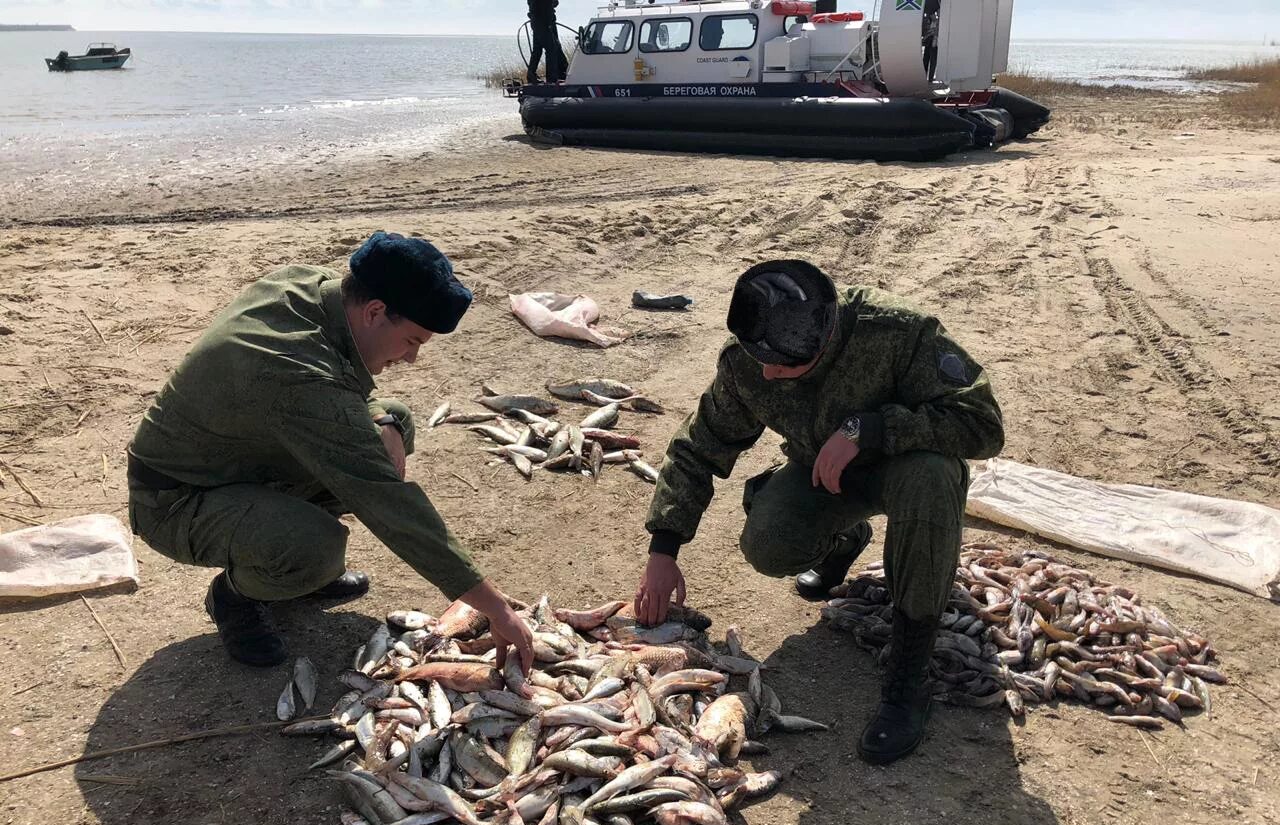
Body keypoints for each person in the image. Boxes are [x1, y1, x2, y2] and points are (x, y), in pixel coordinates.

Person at [634, 261, 1004, 765]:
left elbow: (982, 424)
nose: (767, 373)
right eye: (759, 358)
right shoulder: (751, 361)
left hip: (908, 470)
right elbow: (700, 446)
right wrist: (664, 548)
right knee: (769, 540)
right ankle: (844, 542)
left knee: (930, 480)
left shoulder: (898, 332)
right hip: (825, 476)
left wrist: (869, 430)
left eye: (783, 366)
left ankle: (908, 675)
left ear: (824, 342)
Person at [126, 232, 534, 673]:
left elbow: (341, 389)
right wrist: (493, 606)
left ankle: (289, 566)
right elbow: (387, 503)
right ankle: (237, 596)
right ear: (375, 311)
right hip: (175, 499)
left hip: (234, 462)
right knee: (315, 549)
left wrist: (380, 417)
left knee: (394, 420)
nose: (412, 358)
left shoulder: (309, 285)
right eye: (413, 341)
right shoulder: (295, 374)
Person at [527, 0, 567, 84]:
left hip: (537, 21)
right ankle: (551, 79)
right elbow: (550, 4)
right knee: (551, 49)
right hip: (544, 22)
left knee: (537, 50)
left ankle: (531, 76)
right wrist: (548, 22)